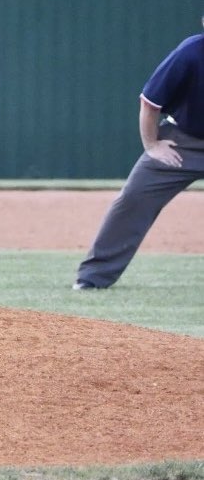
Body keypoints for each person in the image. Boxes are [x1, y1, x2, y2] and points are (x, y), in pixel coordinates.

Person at [73, 19, 204, 290]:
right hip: (184, 142)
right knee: (133, 200)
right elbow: (149, 101)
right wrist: (152, 145)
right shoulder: (190, 53)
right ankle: (92, 279)